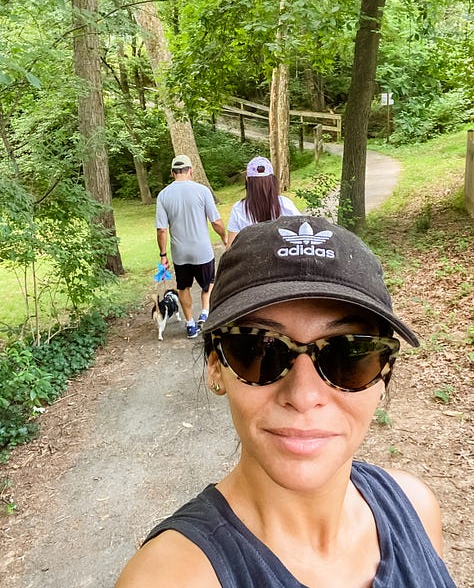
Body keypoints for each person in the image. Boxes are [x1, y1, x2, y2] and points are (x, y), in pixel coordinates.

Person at [116, 216, 456, 587]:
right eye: (259, 349)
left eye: (348, 355)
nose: (304, 396)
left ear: (383, 373)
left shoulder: (416, 509)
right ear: (217, 367)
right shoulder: (171, 577)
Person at [155, 154, 227, 339]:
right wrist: (224, 237)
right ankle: (205, 312)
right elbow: (216, 221)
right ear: (191, 171)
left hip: (180, 254)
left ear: (172, 173)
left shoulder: (163, 195)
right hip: (202, 251)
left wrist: (163, 255)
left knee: (183, 287)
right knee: (208, 284)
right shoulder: (202, 191)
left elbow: (162, 230)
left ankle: (190, 324)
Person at [226, 156, 300, 248]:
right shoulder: (285, 204)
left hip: (251, 260)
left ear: (247, 180)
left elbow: (231, 247)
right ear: (272, 180)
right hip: (283, 259)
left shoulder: (238, 209)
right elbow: (301, 231)